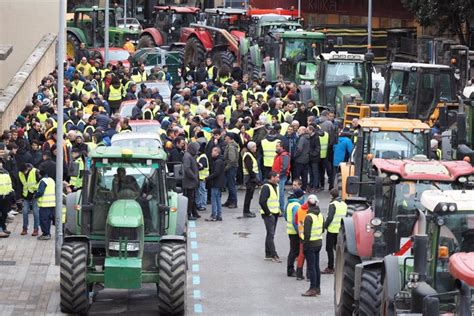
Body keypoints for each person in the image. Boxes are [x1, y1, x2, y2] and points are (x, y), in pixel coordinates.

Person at [301, 195, 324, 296]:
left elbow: (307, 233)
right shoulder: (320, 215)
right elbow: (323, 229)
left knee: (311, 267)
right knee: (316, 266)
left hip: (310, 244)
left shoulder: (309, 217)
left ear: (308, 204)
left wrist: (304, 246)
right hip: (318, 242)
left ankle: (312, 288)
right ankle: (317, 288)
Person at [322, 188, 347, 274]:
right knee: (338, 249)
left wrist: (324, 226)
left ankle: (330, 267)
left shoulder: (333, 204)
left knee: (329, 248)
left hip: (332, 230)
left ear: (332, 196)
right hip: (340, 229)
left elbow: (330, 218)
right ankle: (340, 265)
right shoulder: (344, 204)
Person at [259, 171, 281, 262]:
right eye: (277, 177)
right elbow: (262, 201)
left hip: (274, 213)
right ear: (272, 177)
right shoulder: (266, 187)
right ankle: (273, 254)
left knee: (270, 234)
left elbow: (275, 200)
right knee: (271, 234)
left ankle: (268, 253)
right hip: (269, 214)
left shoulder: (276, 186)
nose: (278, 179)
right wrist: (268, 213)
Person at [286, 189, 305, 277]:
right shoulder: (297, 206)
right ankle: (290, 270)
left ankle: (290, 269)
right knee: (294, 251)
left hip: (290, 230)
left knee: (293, 250)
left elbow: (286, 216)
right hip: (294, 231)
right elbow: (295, 221)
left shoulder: (289, 203)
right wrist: (299, 233)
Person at [18, 163, 40, 236]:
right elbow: (21, 184)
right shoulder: (20, 173)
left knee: (36, 212)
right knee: (24, 212)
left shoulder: (35, 171)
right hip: (26, 195)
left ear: (27, 168)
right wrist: (21, 194)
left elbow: (40, 182)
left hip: (34, 194)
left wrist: (37, 192)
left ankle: (36, 229)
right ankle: (24, 228)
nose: (23, 173)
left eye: (24, 172)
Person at [35, 169, 56, 240]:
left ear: (40, 175)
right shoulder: (51, 180)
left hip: (44, 204)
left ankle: (46, 234)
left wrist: (35, 195)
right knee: (49, 220)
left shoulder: (43, 181)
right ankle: (48, 233)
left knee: (44, 220)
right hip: (52, 203)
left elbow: (40, 192)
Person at [205, 147, 225, 221]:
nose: (211, 153)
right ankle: (219, 215)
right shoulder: (220, 160)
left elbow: (216, 173)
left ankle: (214, 215)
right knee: (218, 199)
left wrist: (207, 178)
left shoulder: (218, 162)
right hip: (219, 183)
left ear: (217, 152)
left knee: (214, 199)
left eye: (213, 151)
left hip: (216, 183)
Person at [183, 142, 201, 220]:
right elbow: (186, 168)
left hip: (192, 181)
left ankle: (194, 212)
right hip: (189, 181)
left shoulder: (191, 155)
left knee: (192, 198)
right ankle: (189, 214)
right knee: (190, 198)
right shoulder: (187, 156)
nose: (197, 151)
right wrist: (193, 176)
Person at [272, 140, 290, 213]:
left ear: (282, 147)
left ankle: (281, 210)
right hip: (278, 176)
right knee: (279, 193)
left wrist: (278, 175)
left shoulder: (284, 155)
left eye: (277, 146)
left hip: (280, 177)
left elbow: (284, 167)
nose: (276, 147)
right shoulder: (280, 155)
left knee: (280, 194)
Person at [223, 133, 239, 208]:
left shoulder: (231, 147)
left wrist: (225, 168)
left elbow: (232, 159)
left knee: (231, 185)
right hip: (231, 167)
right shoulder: (231, 145)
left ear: (229, 138)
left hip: (231, 168)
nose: (224, 138)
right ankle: (229, 201)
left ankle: (234, 202)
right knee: (230, 185)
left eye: (225, 137)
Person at [242, 142, 258, 218]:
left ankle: (247, 210)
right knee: (248, 195)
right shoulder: (248, 156)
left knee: (249, 195)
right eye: (254, 147)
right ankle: (246, 211)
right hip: (249, 178)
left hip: (250, 177)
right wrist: (254, 178)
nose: (256, 148)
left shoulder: (250, 155)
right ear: (251, 148)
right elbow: (250, 168)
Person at [0, 162, 14, 238]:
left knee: (4, 213)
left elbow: (9, 184)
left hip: (6, 197)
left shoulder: (6, 173)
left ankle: (3, 228)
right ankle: (1, 229)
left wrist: (10, 193)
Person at [196, 145, 209, 212]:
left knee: (202, 192)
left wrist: (196, 167)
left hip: (202, 177)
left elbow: (202, 167)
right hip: (201, 178)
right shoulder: (201, 156)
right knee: (200, 192)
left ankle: (202, 205)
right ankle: (200, 204)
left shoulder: (203, 157)